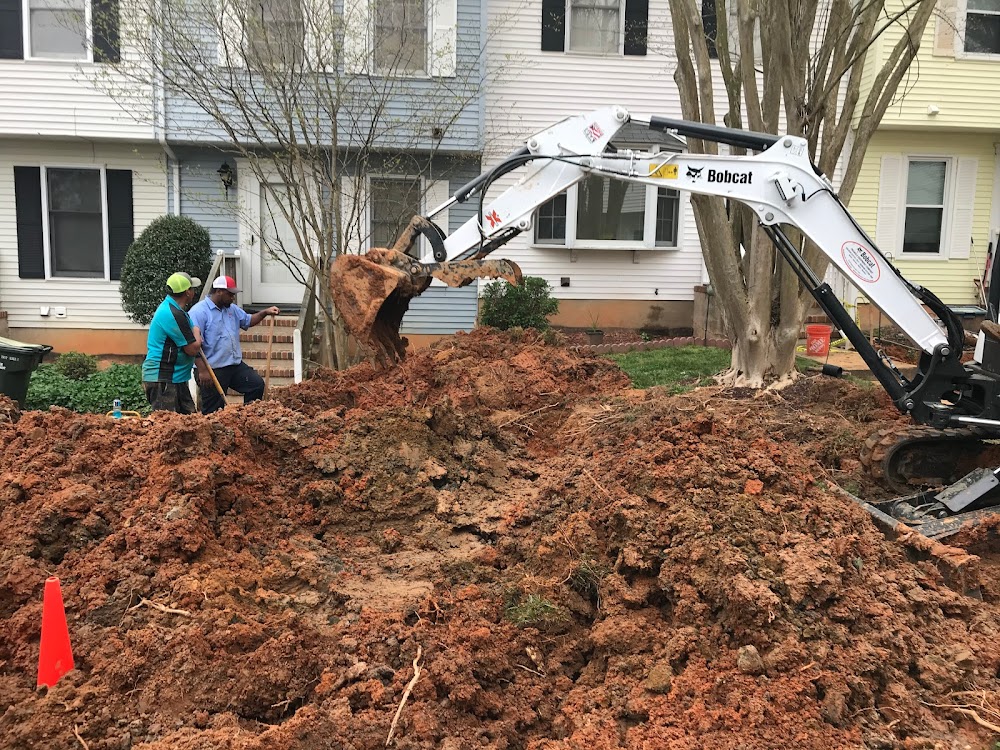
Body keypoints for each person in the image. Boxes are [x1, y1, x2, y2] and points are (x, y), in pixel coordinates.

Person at [189, 276, 280, 414]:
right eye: (230, 294)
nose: (233, 298)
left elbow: (248, 321)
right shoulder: (199, 312)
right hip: (211, 369)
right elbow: (192, 343)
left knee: (256, 385)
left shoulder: (231, 309)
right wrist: (202, 370)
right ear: (219, 291)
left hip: (234, 365)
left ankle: (247, 420)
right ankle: (214, 433)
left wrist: (264, 312)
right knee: (215, 409)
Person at [142, 272, 203, 414]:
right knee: (167, 427)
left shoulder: (176, 309)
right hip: (163, 379)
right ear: (187, 292)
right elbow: (192, 349)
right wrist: (197, 331)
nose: (194, 291)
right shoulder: (171, 313)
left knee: (189, 423)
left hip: (176, 377)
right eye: (193, 288)